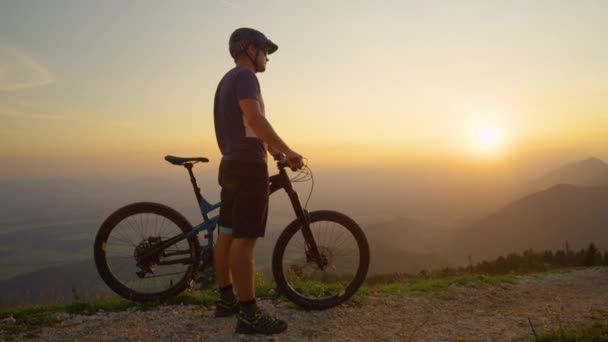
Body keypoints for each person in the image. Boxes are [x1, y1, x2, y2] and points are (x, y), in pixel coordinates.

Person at [212, 27, 304, 335]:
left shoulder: (226, 80)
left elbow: (246, 127)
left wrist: (275, 150)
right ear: (250, 49)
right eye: (265, 51)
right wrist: (289, 150)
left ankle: (226, 300)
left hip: (230, 165)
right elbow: (254, 119)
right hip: (249, 168)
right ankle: (249, 315)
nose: (267, 58)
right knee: (245, 239)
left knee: (225, 232)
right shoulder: (246, 77)